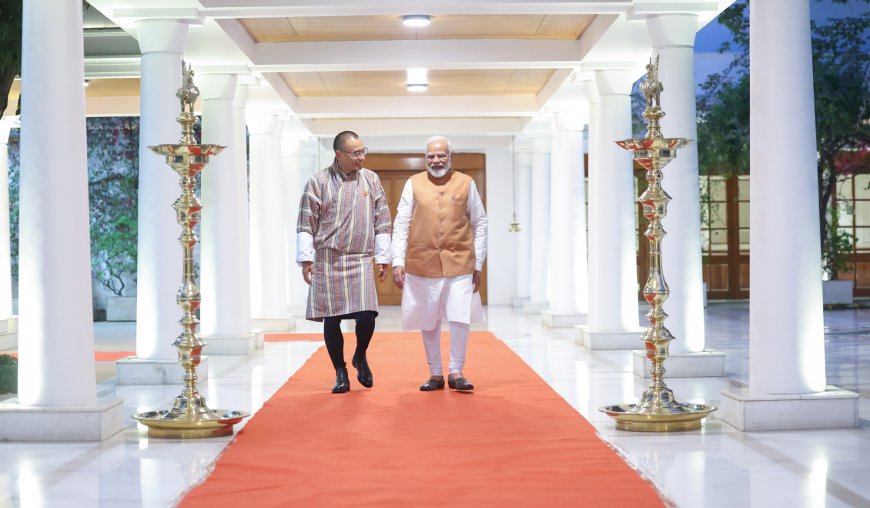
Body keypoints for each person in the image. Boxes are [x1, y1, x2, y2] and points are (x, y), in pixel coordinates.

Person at [296, 131, 391, 393]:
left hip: (361, 258)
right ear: (339, 154)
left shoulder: (371, 179)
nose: (362, 157)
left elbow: (382, 217)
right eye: (356, 153)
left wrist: (383, 257)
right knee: (332, 318)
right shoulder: (318, 182)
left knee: (367, 313)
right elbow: (306, 223)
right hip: (328, 258)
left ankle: (360, 355)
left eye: (364, 151)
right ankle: (340, 370)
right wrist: (305, 260)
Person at [391, 136, 487, 392]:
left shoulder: (467, 183)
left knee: (459, 318)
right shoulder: (413, 184)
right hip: (422, 263)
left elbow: (480, 223)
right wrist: (397, 261)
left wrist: (478, 263)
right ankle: (435, 373)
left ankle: (456, 371)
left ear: (450, 155)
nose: (436, 160)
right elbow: (401, 223)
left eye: (441, 155)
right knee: (429, 320)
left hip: (460, 262)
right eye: (431, 156)